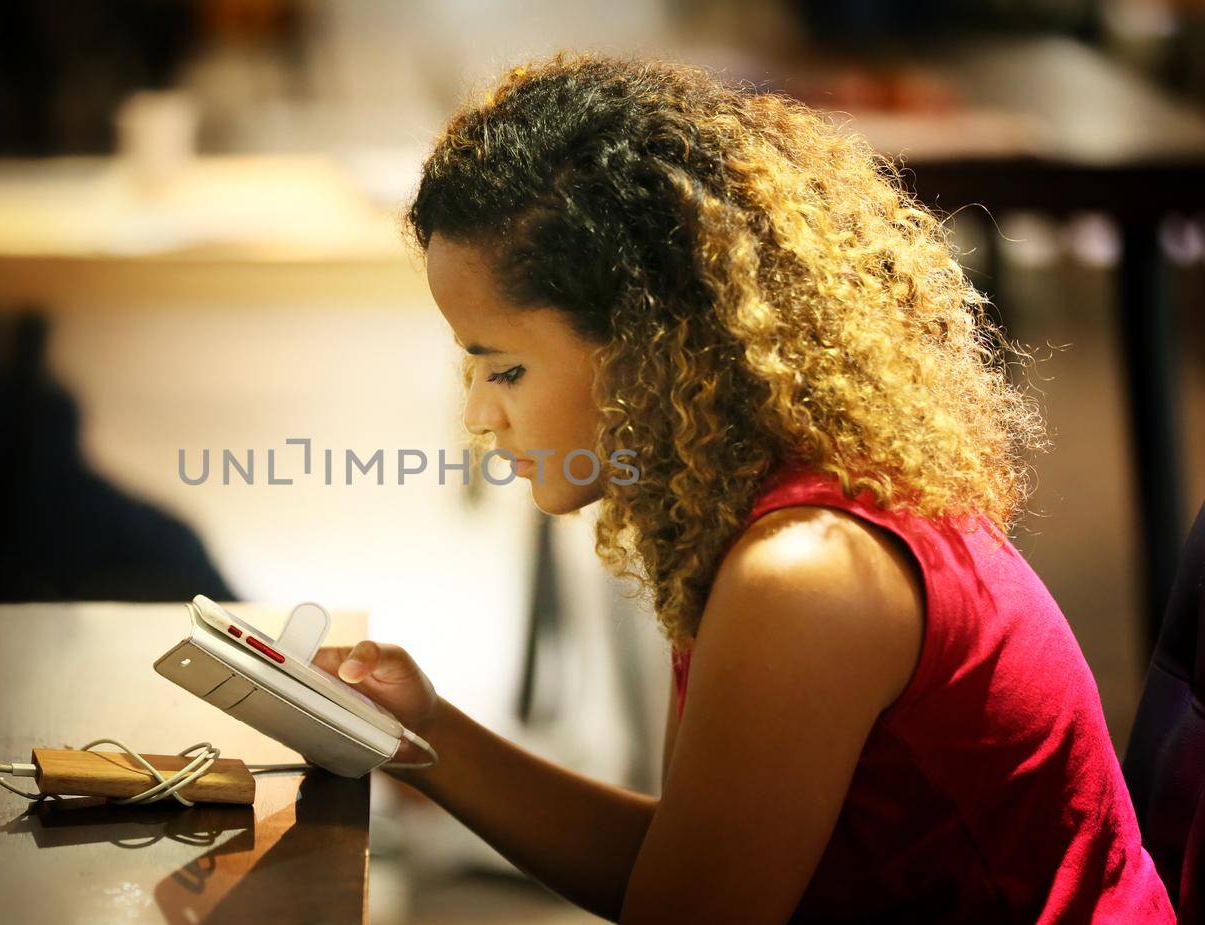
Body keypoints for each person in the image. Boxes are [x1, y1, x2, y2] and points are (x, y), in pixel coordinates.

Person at [311, 53, 1175, 924]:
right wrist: (420, 730)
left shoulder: (806, 576)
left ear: (645, 343)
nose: (479, 416)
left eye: (505, 369)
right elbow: (683, 866)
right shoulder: (766, 510)